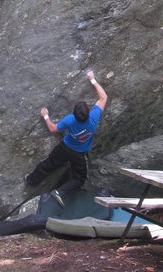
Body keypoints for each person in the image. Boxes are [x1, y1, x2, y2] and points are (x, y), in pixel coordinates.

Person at [24, 70, 107, 207]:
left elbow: (52, 129)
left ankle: (31, 180)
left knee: (49, 164)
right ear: (88, 113)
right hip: (79, 154)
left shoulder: (70, 120)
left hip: (65, 147)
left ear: (74, 114)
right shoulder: (94, 118)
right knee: (80, 178)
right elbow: (103, 97)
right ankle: (60, 192)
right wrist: (92, 79)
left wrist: (46, 116)